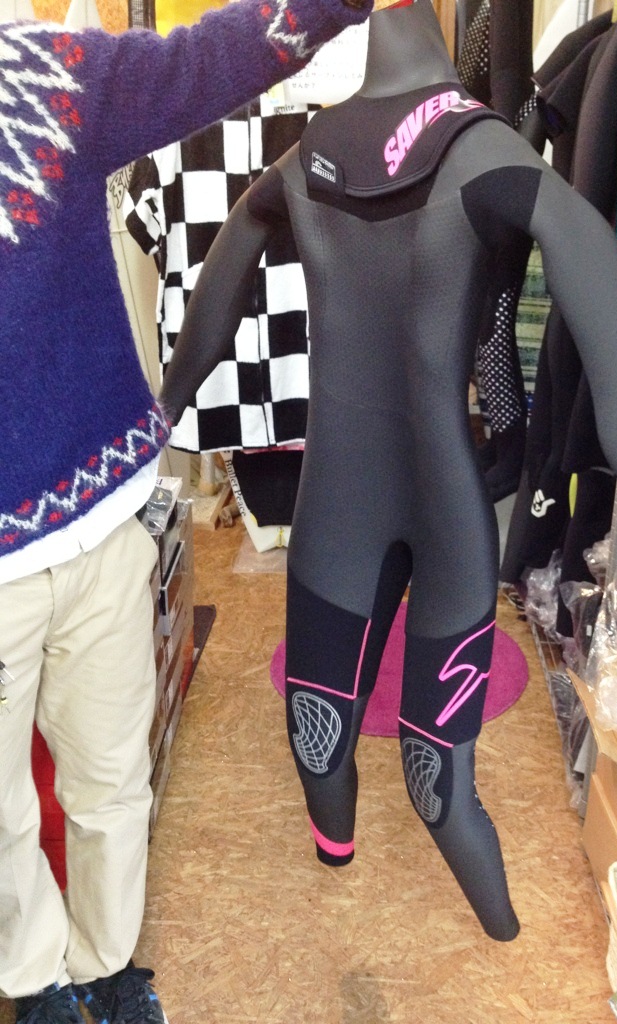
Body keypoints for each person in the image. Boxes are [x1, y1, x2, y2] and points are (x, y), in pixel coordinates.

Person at [160, 0, 617, 943]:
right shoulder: (483, 155)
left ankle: (459, 912)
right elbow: (606, 300)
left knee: (365, 756)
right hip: (418, 503)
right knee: (386, 765)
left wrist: (157, 419)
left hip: (367, 499)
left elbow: (213, 298)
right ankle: (405, 884)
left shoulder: (310, 161)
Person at [0, 0, 372, 1021]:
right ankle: (35, 986)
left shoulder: (45, 75)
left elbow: (204, 61)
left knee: (112, 780)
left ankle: (106, 966)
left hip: (101, 523)